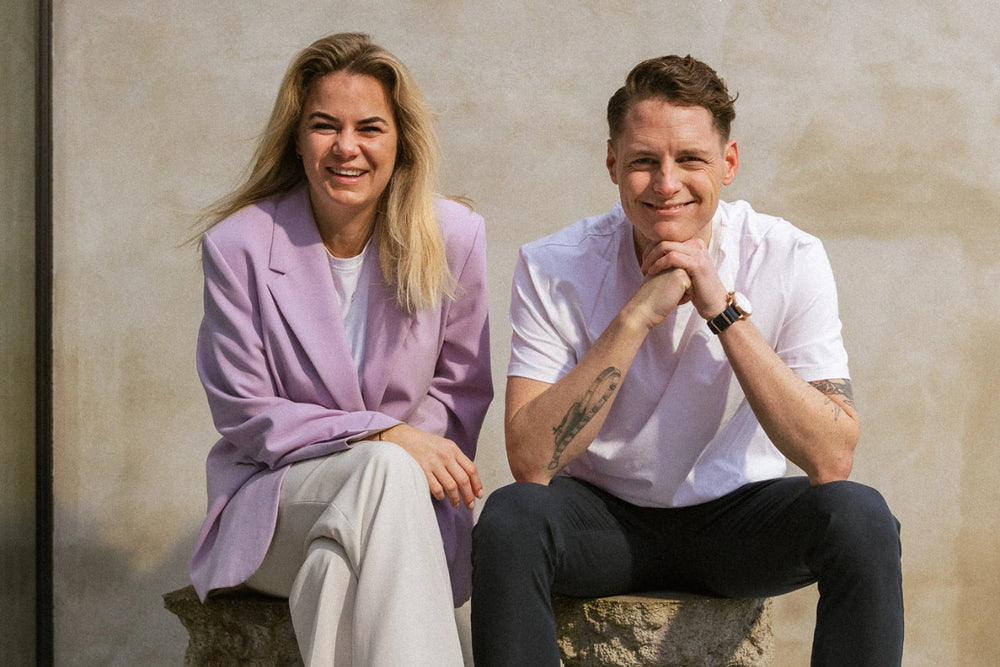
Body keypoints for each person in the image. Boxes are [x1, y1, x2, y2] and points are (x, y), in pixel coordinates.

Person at [471, 55, 902, 666]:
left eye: (690, 159)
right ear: (613, 164)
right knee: (510, 519)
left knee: (861, 518)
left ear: (728, 163)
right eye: (644, 161)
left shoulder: (788, 255)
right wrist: (635, 318)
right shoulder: (554, 264)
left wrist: (721, 308)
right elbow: (531, 461)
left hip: (737, 525)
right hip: (602, 522)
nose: (666, 183)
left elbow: (832, 457)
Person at [189, 33, 492, 666]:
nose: (346, 147)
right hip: (275, 506)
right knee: (385, 468)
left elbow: (459, 392)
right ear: (297, 139)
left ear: (400, 140)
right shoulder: (239, 246)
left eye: (369, 128)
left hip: (406, 509)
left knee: (333, 572)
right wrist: (382, 434)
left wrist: (397, 447)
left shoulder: (454, 236)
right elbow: (246, 414)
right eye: (324, 125)